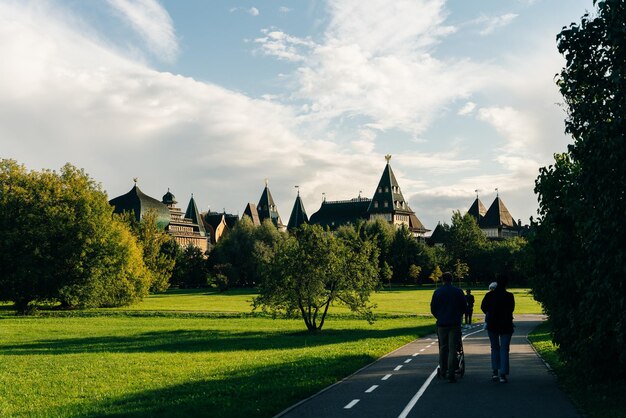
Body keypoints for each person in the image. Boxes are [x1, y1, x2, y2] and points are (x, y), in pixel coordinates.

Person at [430, 272, 467, 382]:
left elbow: (433, 308)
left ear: (442, 280)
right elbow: (464, 306)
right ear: (452, 279)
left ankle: (443, 370)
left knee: (443, 347)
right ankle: (451, 372)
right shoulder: (458, 291)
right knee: (453, 349)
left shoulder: (437, 292)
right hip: (454, 323)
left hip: (442, 323)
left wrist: (439, 317)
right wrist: (459, 316)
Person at [481, 277, 515, 383]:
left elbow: (483, 307)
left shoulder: (489, 295)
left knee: (494, 348)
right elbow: (511, 309)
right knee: (504, 349)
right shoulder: (509, 296)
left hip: (493, 325)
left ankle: (495, 372)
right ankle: (503, 374)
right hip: (506, 325)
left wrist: (490, 314)